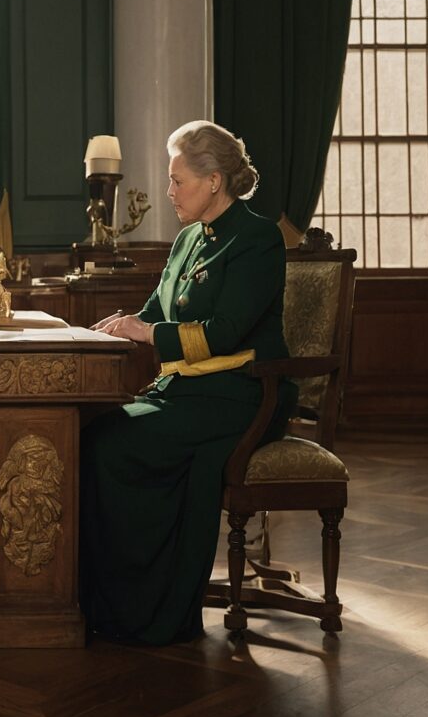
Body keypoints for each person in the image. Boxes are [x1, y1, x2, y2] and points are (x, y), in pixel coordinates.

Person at [79, 120, 295, 645]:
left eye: (178, 181)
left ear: (214, 181)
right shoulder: (187, 239)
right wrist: (110, 332)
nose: (169, 191)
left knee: (110, 446)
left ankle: (149, 610)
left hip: (242, 396)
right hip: (187, 393)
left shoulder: (257, 238)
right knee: (92, 435)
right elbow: (153, 313)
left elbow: (225, 333)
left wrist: (146, 331)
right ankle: (111, 602)